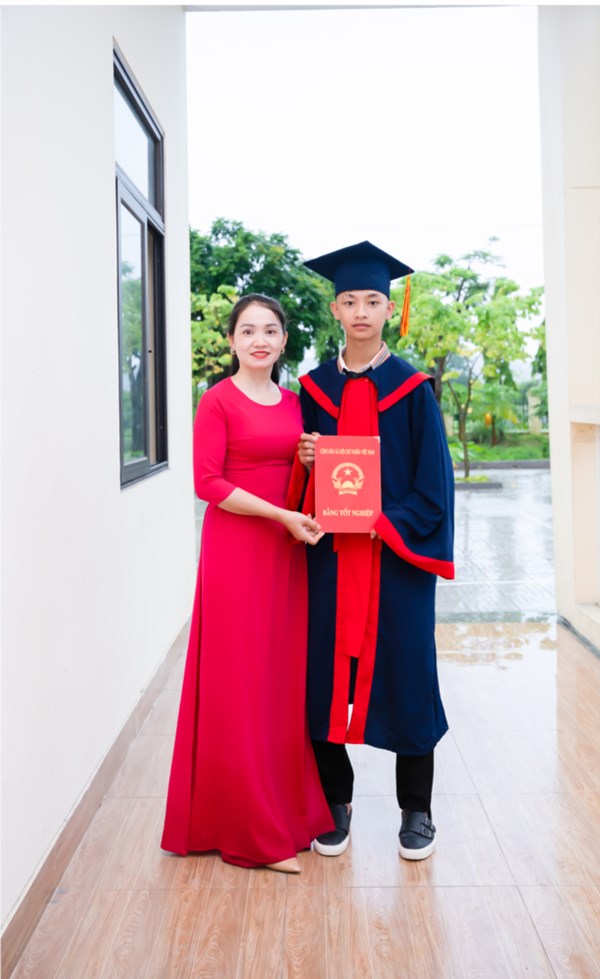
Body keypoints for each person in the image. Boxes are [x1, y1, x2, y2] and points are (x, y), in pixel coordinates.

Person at [288, 241, 455, 861]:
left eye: (373, 301)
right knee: (320, 677)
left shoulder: (413, 390)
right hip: (330, 559)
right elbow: (295, 485)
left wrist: (386, 521)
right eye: (350, 301)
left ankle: (417, 809)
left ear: (390, 308)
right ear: (335, 309)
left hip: (395, 562)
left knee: (408, 675)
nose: (361, 311)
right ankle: (335, 801)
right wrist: (305, 462)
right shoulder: (313, 389)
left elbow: (434, 486)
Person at [161, 293, 333, 873]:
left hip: (284, 553)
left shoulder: (294, 404)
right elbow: (207, 483)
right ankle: (249, 828)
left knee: (279, 678)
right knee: (240, 679)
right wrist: (281, 515)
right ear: (232, 341)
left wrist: (307, 463)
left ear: (284, 341)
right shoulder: (217, 401)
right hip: (237, 551)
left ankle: (285, 810)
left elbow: (290, 470)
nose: (260, 339)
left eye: (271, 330)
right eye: (249, 330)